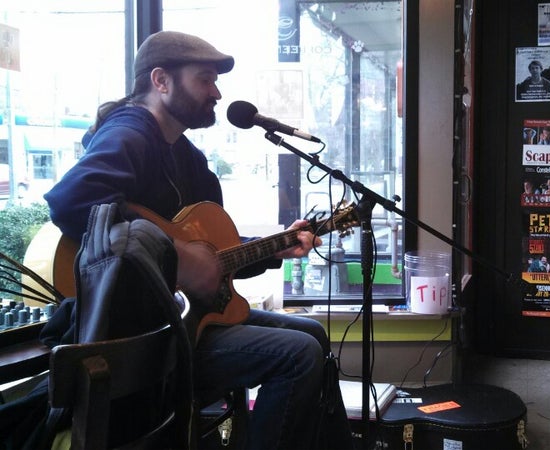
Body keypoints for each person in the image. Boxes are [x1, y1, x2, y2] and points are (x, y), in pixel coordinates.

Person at [43, 31, 353, 450]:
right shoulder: (130, 132)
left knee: (312, 334)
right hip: (140, 335)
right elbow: (71, 200)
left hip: (181, 322)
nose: (217, 93)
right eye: (205, 80)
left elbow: (211, 257)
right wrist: (177, 257)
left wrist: (273, 248)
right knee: (297, 355)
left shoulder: (185, 156)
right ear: (161, 80)